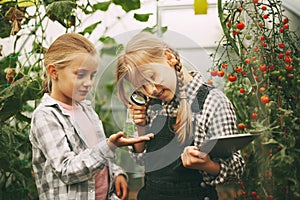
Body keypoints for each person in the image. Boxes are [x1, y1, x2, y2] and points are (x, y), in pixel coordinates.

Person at [115, 32, 245, 200]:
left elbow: (236, 169)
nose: (151, 90)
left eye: (152, 76)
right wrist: (140, 127)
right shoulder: (145, 103)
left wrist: (208, 165)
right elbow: (140, 159)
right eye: (142, 86)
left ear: (169, 57)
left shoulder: (213, 102)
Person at [29, 33, 154, 200]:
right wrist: (109, 146)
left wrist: (116, 173)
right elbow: (66, 170)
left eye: (92, 75)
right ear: (54, 71)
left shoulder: (86, 110)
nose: (88, 82)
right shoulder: (46, 116)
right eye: (80, 75)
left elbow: (96, 154)